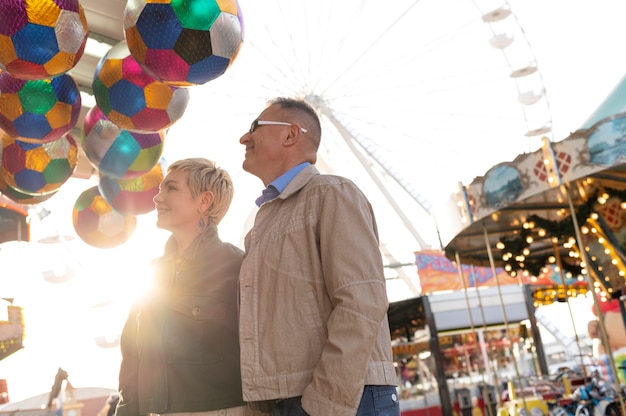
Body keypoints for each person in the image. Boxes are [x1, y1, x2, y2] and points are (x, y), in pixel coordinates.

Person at [237, 97, 400, 416]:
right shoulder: (262, 226)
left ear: (290, 135)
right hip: (290, 398)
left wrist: (325, 403)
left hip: (341, 398)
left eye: (254, 127)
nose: (244, 138)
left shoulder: (331, 193)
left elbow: (362, 300)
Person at [115, 158, 246, 416]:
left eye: (171, 189)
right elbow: (132, 358)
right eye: (161, 189)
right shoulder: (150, 273)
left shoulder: (238, 267)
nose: (157, 198)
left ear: (204, 202)